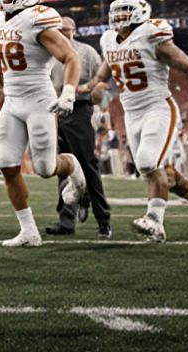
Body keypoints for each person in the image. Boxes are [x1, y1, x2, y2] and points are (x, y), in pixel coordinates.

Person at [81, 0, 188, 243]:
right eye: (117, 11)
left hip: (157, 107)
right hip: (131, 113)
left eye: (125, 11)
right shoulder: (109, 40)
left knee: (148, 162)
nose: (119, 17)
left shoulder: (151, 35)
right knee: (161, 173)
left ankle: (155, 221)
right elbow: (104, 74)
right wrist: (84, 89)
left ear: (140, 13)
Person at [0, 0, 87, 247]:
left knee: (45, 167)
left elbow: (71, 57)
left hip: (39, 100)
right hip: (12, 100)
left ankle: (73, 167)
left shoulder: (37, 19)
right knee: (7, 164)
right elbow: (1, 54)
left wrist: (68, 94)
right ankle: (29, 231)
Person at [44, 16, 112, 238]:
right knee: (62, 166)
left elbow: (102, 79)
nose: (62, 33)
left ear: (74, 30)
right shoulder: (48, 52)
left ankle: (103, 219)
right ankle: (66, 221)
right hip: (55, 111)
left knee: (87, 164)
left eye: (66, 29)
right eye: (59, 29)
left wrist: (90, 90)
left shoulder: (87, 52)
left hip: (79, 110)